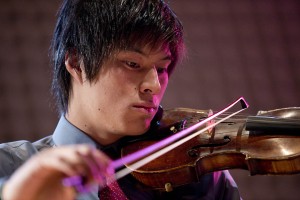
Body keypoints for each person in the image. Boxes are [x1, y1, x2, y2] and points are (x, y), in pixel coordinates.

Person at [0, 0, 242, 199]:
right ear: (76, 63)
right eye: (133, 64)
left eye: (161, 69)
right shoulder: (10, 166)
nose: (154, 85)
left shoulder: (198, 175)